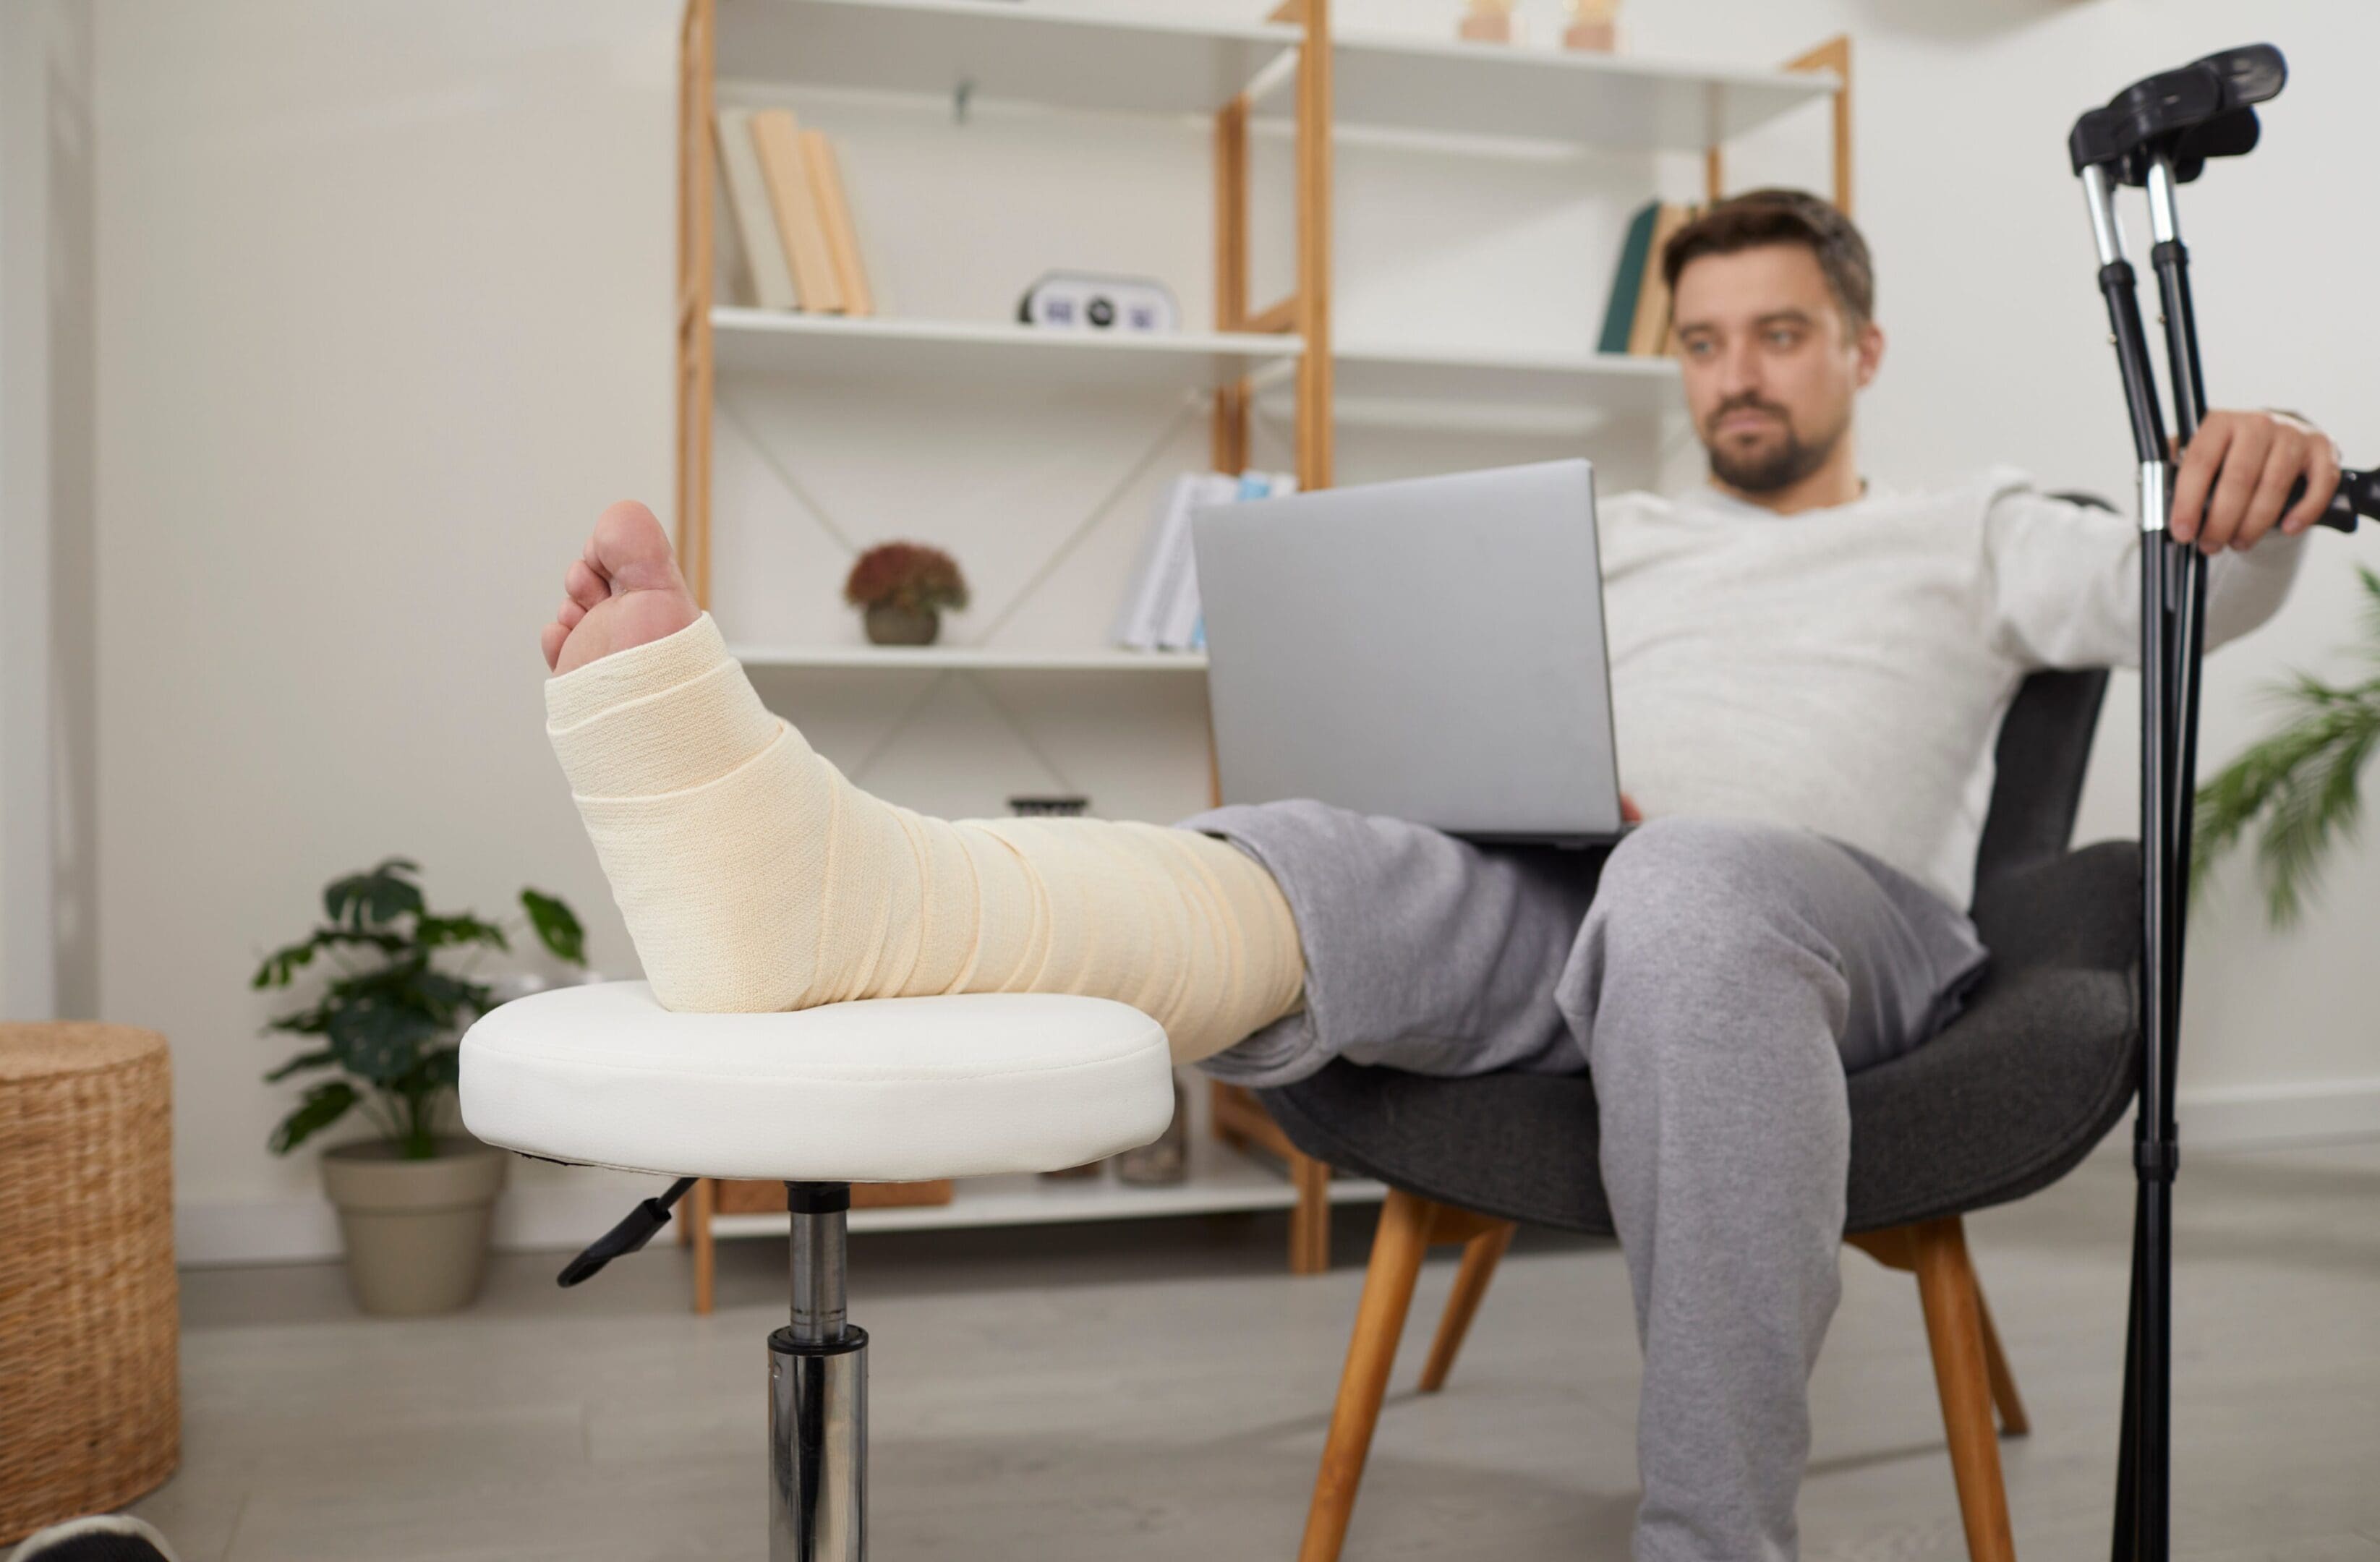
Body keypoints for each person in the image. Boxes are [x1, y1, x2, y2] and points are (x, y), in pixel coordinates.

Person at [536, 189, 2331, 1562]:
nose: (1737, 375)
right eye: (1704, 343)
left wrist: (2247, 489)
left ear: (1857, 351)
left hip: (1842, 923)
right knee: (1323, 855)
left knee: (1692, 885)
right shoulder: (1607, 535)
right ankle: (834, 900)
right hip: (1572, 886)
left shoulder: (1980, 527)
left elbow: (2186, 589)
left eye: (1778, 334)